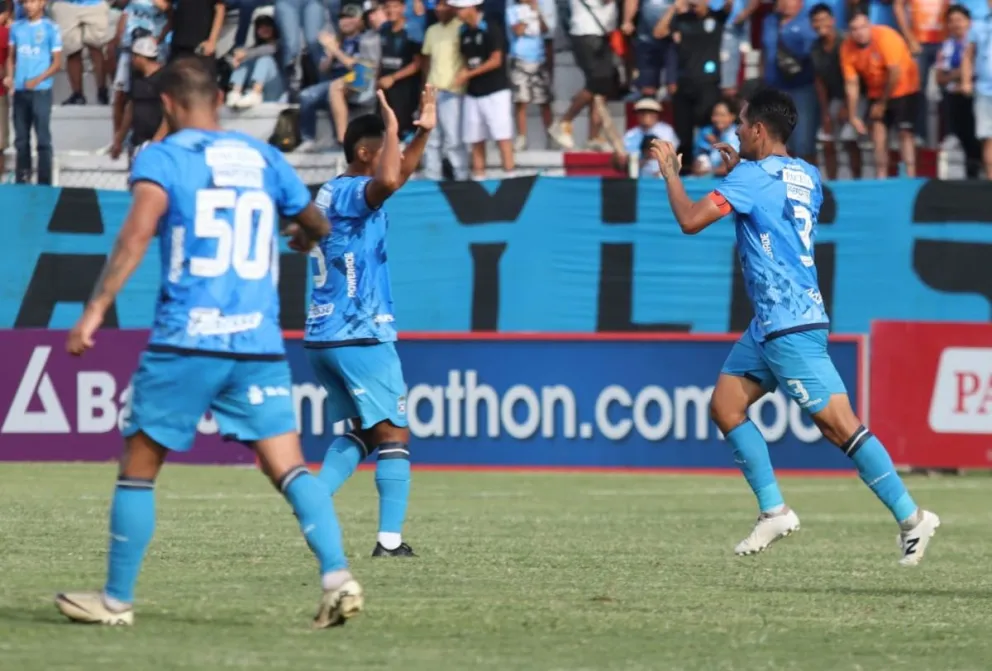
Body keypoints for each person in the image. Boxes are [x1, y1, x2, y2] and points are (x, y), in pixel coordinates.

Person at [54, 56, 364, 629]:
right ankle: (337, 575)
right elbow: (315, 223)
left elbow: (137, 234)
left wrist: (94, 309)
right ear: (218, 100)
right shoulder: (266, 158)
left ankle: (116, 600)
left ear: (168, 105)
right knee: (289, 469)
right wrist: (298, 233)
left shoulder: (164, 158)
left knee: (139, 467)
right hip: (257, 345)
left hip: (186, 342)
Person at [649, 87, 940, 565]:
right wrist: (736, 175)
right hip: (771, 323)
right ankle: (774, 512)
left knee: (838, 426)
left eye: (741, 124)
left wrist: (671, 174)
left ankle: (912, 518)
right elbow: (770, 211)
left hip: (789, 324)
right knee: (725, 406)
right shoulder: (807, 174)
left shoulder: (751, 178)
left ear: (759, 130)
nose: (736, 131)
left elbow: (689, 220)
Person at [306, 86, 436, 559]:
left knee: (363, 432)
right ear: (365, 153)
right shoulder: (354, 193)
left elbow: (396, 174)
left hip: (325, 335)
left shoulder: (332, 193)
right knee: (394, 433)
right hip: (358, 332)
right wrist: (399, 126)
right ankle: (389, 541)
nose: (395, 155)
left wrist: (423, 132)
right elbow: (389, 182)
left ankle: (313, 499)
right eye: (386, 147)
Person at [841, 10, 921, 178]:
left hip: (904, 87)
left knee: (905, 133)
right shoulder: (847, 48)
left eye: (863, 27)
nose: (859, 33)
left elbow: (895, 72)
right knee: (877, 132)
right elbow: (852, 83)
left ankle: (910, 174)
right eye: (854, 29)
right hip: (876, 91)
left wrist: (882, 104)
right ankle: (881, 175)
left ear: (869, 25)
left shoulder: (885, 37)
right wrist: (853, 114)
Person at [452, 0, 515, 179]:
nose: (457, 12)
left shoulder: (491, 26)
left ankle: (510, 178)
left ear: (471, 7)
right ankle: (479, 179)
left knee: (502, 136)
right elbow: (466, 60)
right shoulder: (463, 32)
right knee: (475, 139)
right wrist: (464, 73)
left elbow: (496, 60)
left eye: (460, 8)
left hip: (496, 91)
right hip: (473, 93)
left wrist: (468, 74)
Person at [6, 0, 63, 185]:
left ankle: (44, 182)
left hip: (41, 91)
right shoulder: (16, 27)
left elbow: (56, 63)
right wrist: (10, 77)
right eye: (25, 2)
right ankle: (22, 179)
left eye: (32, 1)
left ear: (42, 3)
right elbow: (11, 57)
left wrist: (38, 79)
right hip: (21, 92)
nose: (28, 6)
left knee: (43, 139)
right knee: (21, 139)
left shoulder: (51, 28)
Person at [810, 2, 862, 180]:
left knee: (850, 139)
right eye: (815, 21)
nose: (819, 24)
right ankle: (832, 183)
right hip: (833, 99)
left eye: (823, 20)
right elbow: (820, 82)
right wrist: (825, 113)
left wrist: (848, 107)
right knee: (826, 140)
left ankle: (857, 181)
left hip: (855, 96)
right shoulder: (815, 47)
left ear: (832, 20)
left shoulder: (846, 42)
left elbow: (854, 78)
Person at [421, 0, 469, 179]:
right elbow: (426, 63)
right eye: (437, 5)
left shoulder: (462, 28)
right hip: (433, 91)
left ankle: (461, 177)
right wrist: (424, 92)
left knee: (454, 139)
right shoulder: (431, 31)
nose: (439, 9)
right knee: (431, 139)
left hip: (453, 91)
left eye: (443, 5)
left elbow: (467, 57)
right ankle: (432, 179)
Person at [938, 4, 981, 178]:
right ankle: (971, 176)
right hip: (954, 98)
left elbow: (979, 70)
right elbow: (940, 78)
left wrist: (960, 75)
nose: (956, 24)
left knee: (979, 137)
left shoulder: (979, 42)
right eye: (951, 21)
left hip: (976, 96)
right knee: (963, 137)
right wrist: (961, 74)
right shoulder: (946, 47)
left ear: (969, 22)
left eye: (960, 20)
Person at [110, 36, 166, 164]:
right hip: (138, 142)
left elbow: (169, 114)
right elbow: (130, 108)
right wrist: (119, 139)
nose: (132, 60)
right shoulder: (136, 78)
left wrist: (156, 142)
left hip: (159, 145)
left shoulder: (165, 78)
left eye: (134, 56)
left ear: (140, 57)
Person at [506, 0, 553, 151]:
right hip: (520, 58)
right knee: (521, 101)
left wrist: (537, 13)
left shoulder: (537, 9)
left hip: (539, 59)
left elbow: (545, 29)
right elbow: (517, 31)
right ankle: (522, 138)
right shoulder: (512, 10)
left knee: (544, 101)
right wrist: (527, 15)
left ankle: (551, 136)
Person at [51, 0, 111, 105]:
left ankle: (102, 91)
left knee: (97, 47)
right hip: (65, 5)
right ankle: (77, 94)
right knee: (71, 49)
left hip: (95, 4)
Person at [962, 0, 992, 178]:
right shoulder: (978, 25)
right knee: (988, 138)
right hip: (984, 89)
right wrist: (966, 80)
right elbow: (968, 55)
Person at [612, 96, 677, 174]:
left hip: (662, 177)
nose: (646, 114)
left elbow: (673, 157)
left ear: (657, 113)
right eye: (642, 111)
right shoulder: (630, 135)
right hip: (636, 177)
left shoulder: (667, 131)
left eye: (650, 111)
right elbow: (621, 163)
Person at [692, 96, 739, 175]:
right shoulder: (706, 132)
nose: (718, 119)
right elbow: (697, 161)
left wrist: (716, 142)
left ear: (732, 116)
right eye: (715, 115)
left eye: (722, 115)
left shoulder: (737, 134)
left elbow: (729, 165)